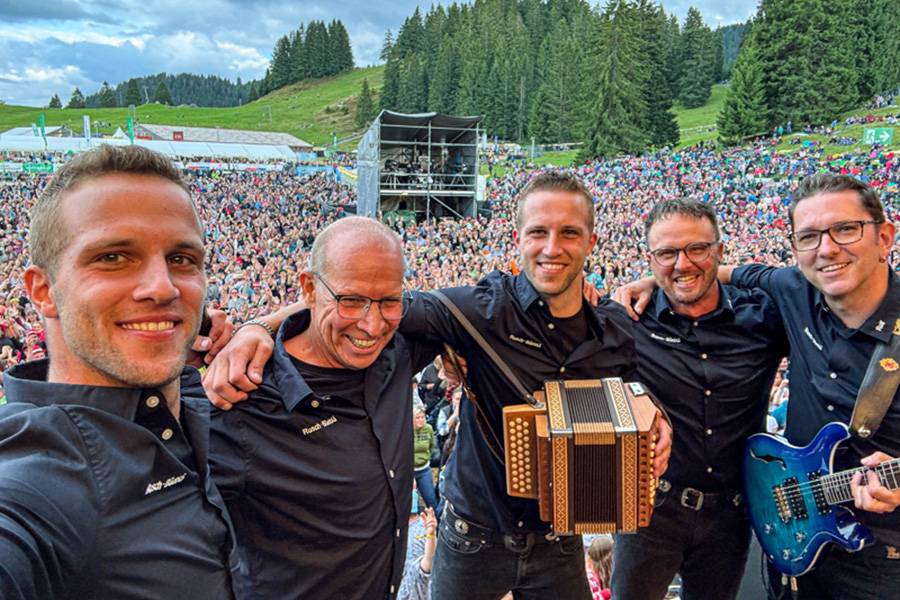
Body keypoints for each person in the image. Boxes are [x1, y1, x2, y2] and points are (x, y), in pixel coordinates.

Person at [205, 171, 673, 600]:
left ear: (592, 240)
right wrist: (257, 328)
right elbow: (362, 301)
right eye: (539, 232)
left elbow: (639, 390)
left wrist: (657, 417)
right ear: (519, 239)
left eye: (569, 232)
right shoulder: (476, 311)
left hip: (561, 540)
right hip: (473, 538)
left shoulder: (615, 327)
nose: (553, 247)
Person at [619, 174, 900, 600]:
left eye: (846, 229)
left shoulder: (764, 314)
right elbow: (728, 272)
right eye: (810, 236)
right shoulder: (793, 290)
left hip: (880, 558)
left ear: (884, 237)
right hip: (793, 542)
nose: (827, 248)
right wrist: (659, 279)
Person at [0, 145, 240, 598]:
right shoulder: (31, 487)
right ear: (43, 289)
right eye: (113, 257)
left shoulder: (204, 398)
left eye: (182, 259)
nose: (162, 287)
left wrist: (258, 332)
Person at [206, 216, 441, 599]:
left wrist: (260, 324)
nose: (371, 325)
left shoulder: (397, 347)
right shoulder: (240, 400)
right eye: (351, 301)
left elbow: (491, 303)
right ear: (309, 288)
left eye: (389, 302)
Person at [609, 199, 787, 600]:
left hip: (732, 513)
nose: (683, 263)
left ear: (720, 251)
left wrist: (660, 277)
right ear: (649, 259)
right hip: (651, 508)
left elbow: (802, 286)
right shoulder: (625, 319)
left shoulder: (762, 318)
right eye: (667, 253)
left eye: (697, 249)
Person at [414, 404, 438, 508]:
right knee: (414, 504)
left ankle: (435, 522)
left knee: (431, 500)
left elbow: (432, 446)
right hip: (409, 471)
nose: (421, 420)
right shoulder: (406, 429)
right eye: (417, 418)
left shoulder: (428, 428)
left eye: (423, 417)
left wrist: (427, 457)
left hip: (424, 469)